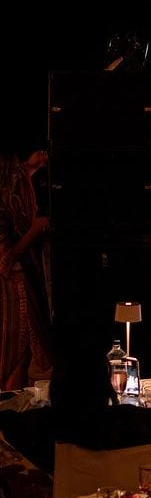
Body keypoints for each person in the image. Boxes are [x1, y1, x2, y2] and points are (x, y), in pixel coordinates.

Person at [0, 319, 151, 478]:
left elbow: (7, 421)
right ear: (105, 385)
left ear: (56, 386)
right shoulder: (130, 422)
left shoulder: (40, 426)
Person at [0, 147, 52, 391]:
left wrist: (32, 166)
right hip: (8, 292)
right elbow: (5, 260)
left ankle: (15, 405)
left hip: (23, 289)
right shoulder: (2, 211)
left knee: (23, 356)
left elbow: (18, 178)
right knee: (10, 355)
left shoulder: (11, 194)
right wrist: (34, 230)